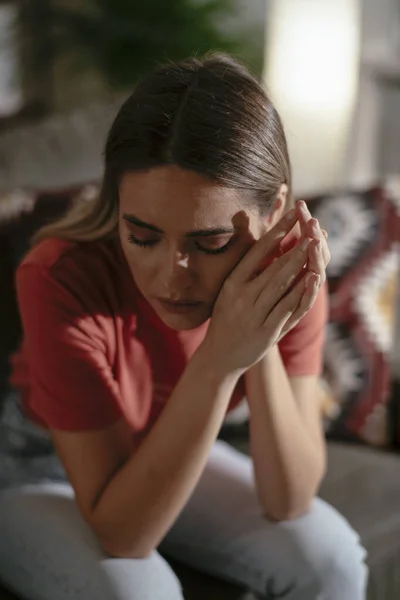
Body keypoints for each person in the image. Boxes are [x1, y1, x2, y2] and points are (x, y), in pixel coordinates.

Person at [0, 53, 368, 600]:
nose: (171, 277)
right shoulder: (59, 276)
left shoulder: (291, 271)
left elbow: (287, 500)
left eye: (212, 244)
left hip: (166, 436)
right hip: (36, 465)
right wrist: (220, 360)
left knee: (332, 562)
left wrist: (256, 335)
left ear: (273, 215)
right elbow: (124, 535)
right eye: (143, 237)